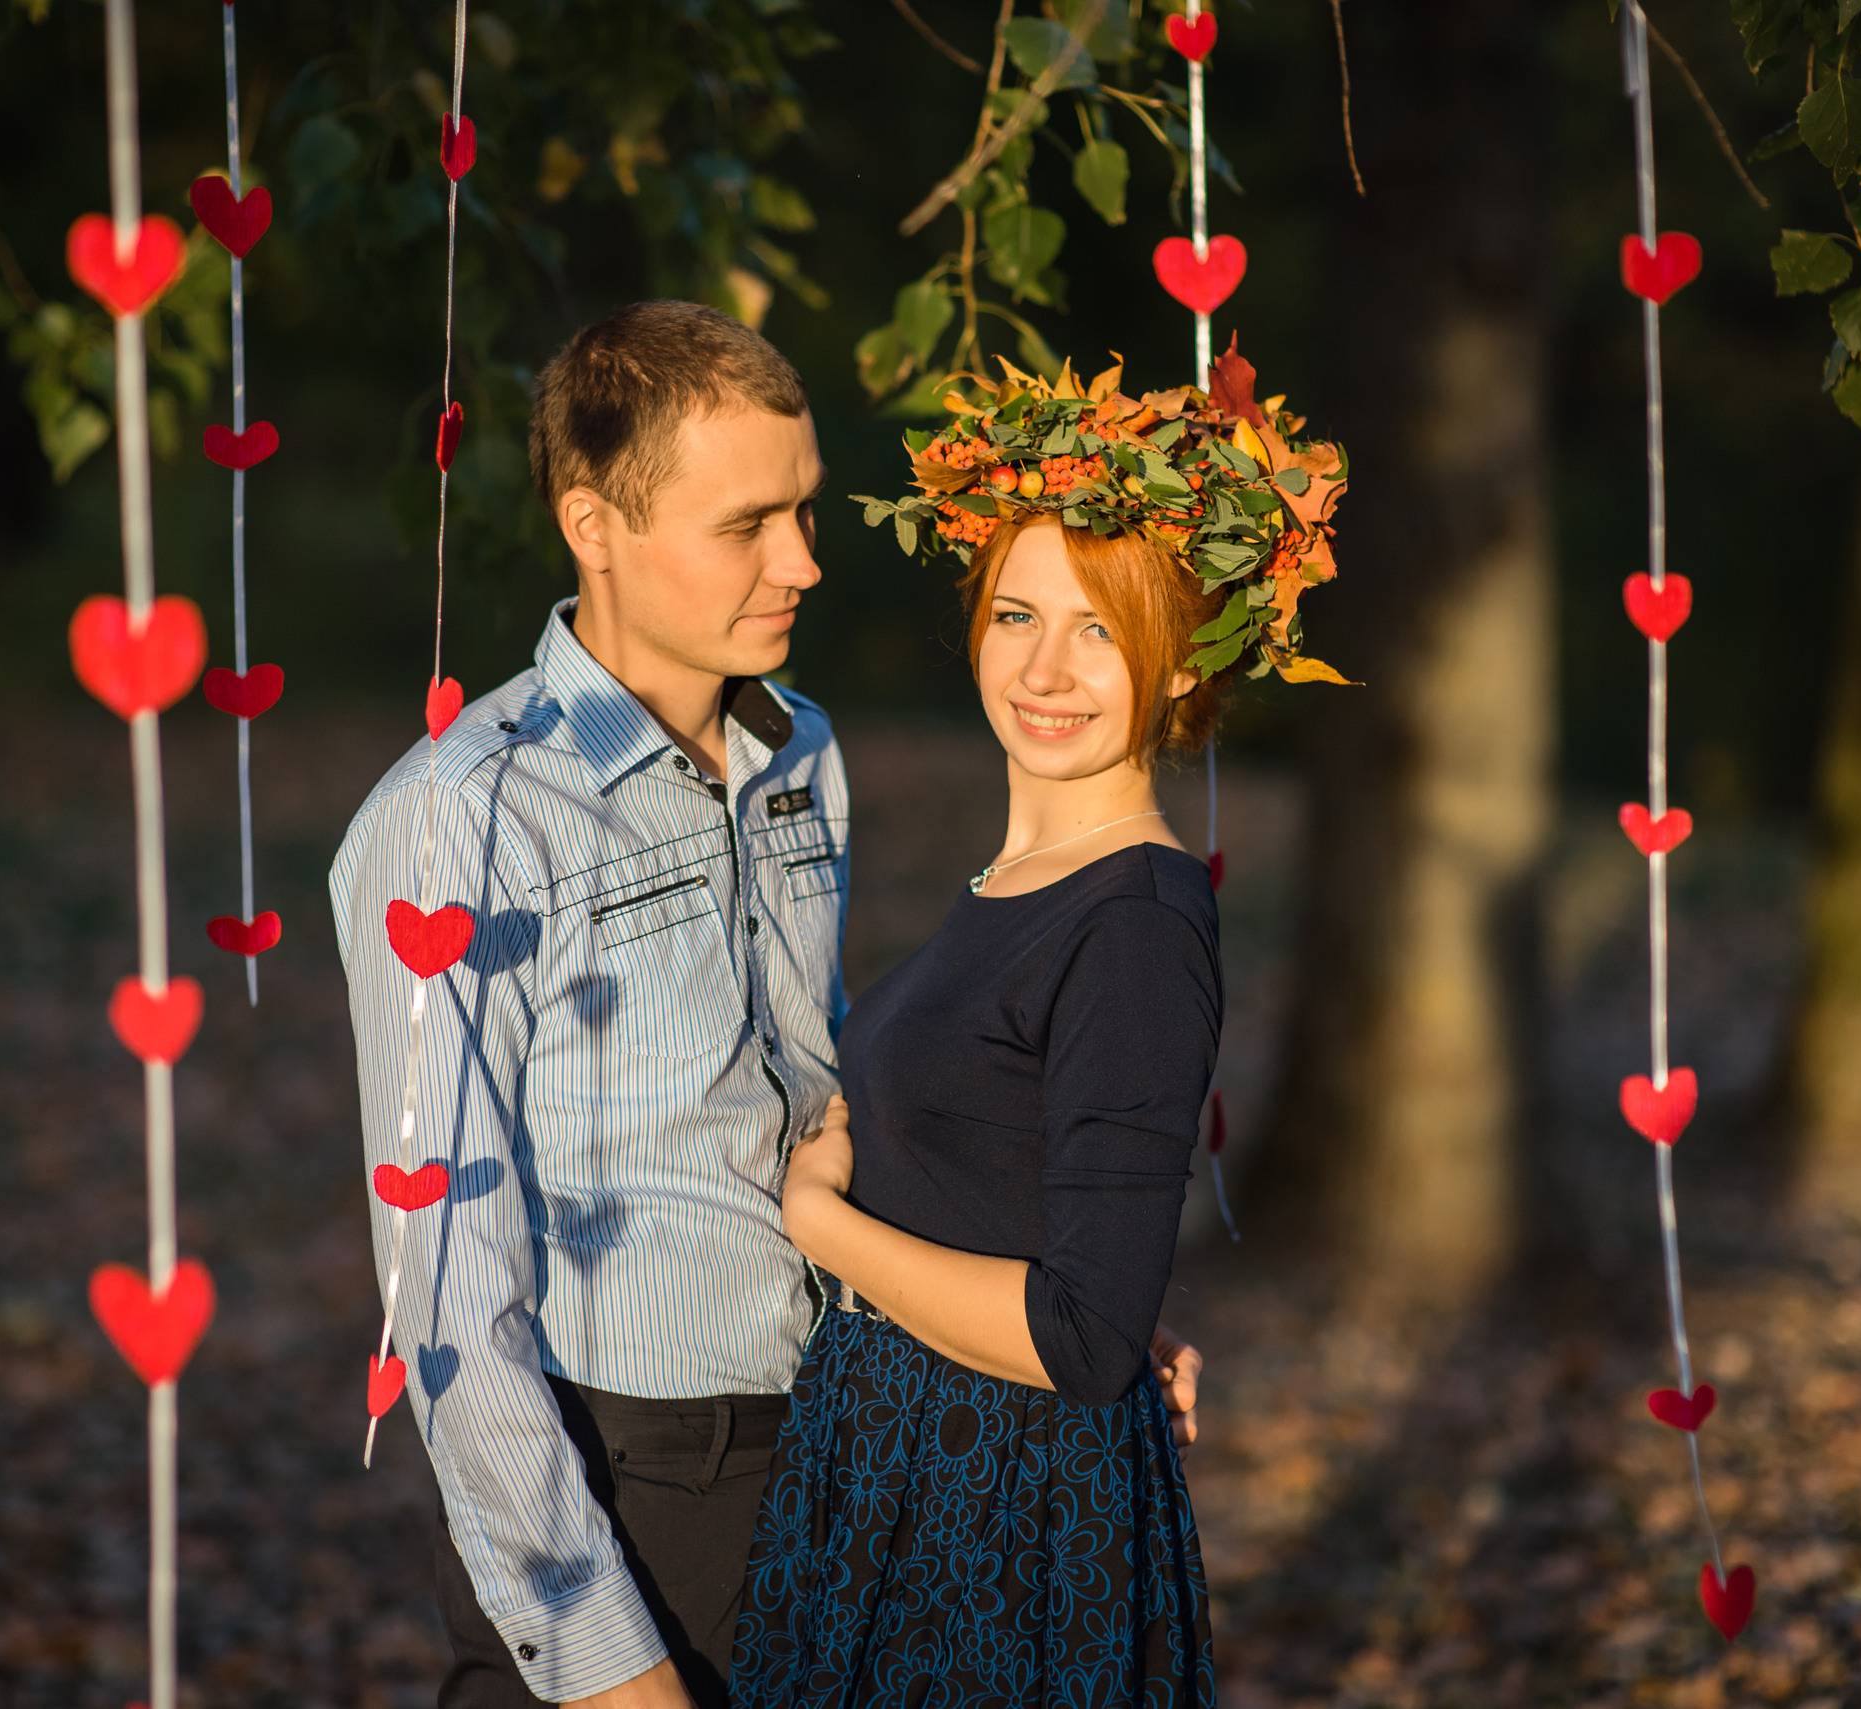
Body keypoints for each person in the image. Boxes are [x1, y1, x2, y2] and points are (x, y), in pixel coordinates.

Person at [329, 304, 1207, 1709]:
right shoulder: (461, 827)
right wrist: (617, 1676)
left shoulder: (800, 753)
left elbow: (815, 1102)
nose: (803, 560)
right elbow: (452, 1313)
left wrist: (1038, 1283)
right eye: (749, 524)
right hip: (625, 1488)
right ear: (594, 523)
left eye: (803, 509)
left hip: (845, 1454)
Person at [732, 354, 1349, 1709]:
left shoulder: (1135, 915)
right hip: (906, 1461)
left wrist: (824, 1229)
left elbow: (1079, 1337)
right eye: (1017, 612)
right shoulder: (1015, 883)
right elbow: (1053, 1236)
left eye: (1099, 627)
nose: (1047, 667)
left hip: (1002, 1512)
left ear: (1179, 656)